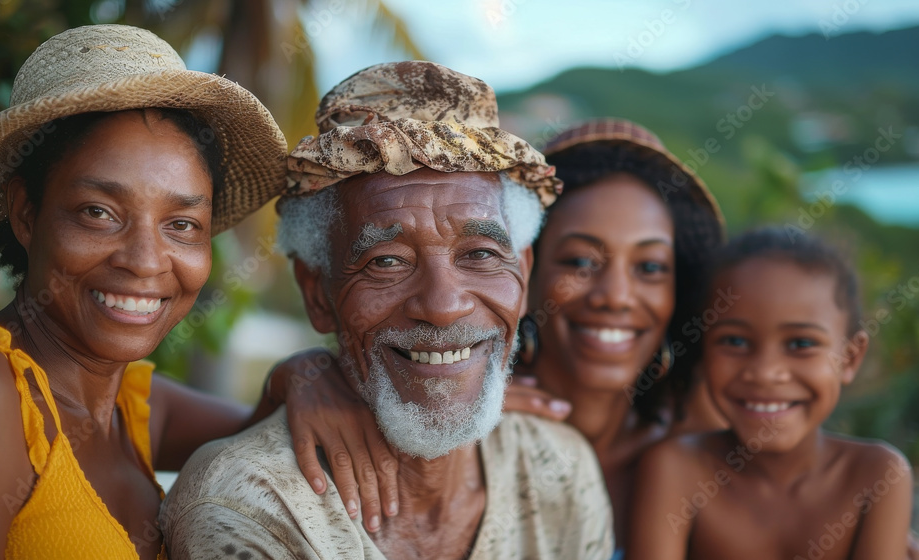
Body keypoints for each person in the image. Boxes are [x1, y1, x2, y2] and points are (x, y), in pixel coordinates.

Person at [159, 61, 613, 559]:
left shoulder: (561, 469)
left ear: (523, 274)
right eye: (387, 262)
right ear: (316, 294)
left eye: (480, 254)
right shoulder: (247, 506)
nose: (443, 306)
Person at [265, 119, 727, 551]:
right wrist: (305, 376)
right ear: (529, 270)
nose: (616, 296)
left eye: (650, 267)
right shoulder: (438, 409)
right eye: (580, 262)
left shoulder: (706, 441)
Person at [0, 25, 288, 559]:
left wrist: (306, 376)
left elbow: (275, 432)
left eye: (181, 224)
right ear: (26, 214)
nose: (146, 261)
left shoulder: (135, 407)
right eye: (98, 213)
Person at [628, 228, 913, 560]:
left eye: (800, 344)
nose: (765, 372)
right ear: (703, 352)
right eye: (734, 341)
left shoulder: (877, 476)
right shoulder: (677, 469)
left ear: (849, 358)